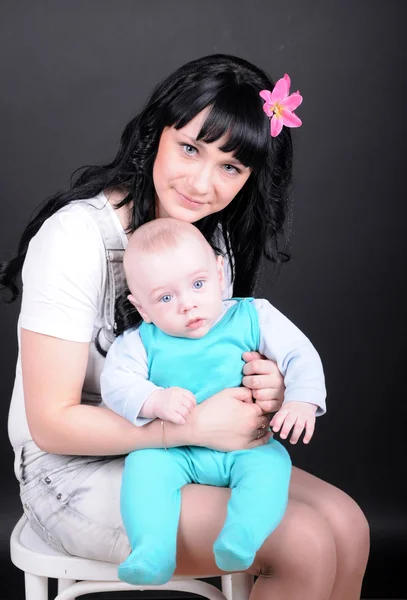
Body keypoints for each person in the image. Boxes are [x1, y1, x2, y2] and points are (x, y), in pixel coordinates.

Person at [1, 54, 369, 600]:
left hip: (184, 454)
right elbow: (52, 425)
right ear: (157, 134)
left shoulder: (205, 238)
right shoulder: (74, 238)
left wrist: (267, 386)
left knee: (349, 523)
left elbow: (216, 363)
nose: (202, 183)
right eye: (191, 148)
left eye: (231, 167)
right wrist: (187, 429)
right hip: (71, 472)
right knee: (303, 542)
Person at [101, 217, 326, 585]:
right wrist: (154, 399)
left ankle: (242, 535)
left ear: (220, 273)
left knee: (269, 469)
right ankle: (151, 550)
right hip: (177, 450)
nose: (188, 305)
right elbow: (116, 385)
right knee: (143, 469)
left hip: (244, 447)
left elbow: (300, 355)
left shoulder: (253, 316)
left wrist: (301, 400)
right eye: (166, 297)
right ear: (142, 307)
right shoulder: (142, 340)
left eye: (198, 284)